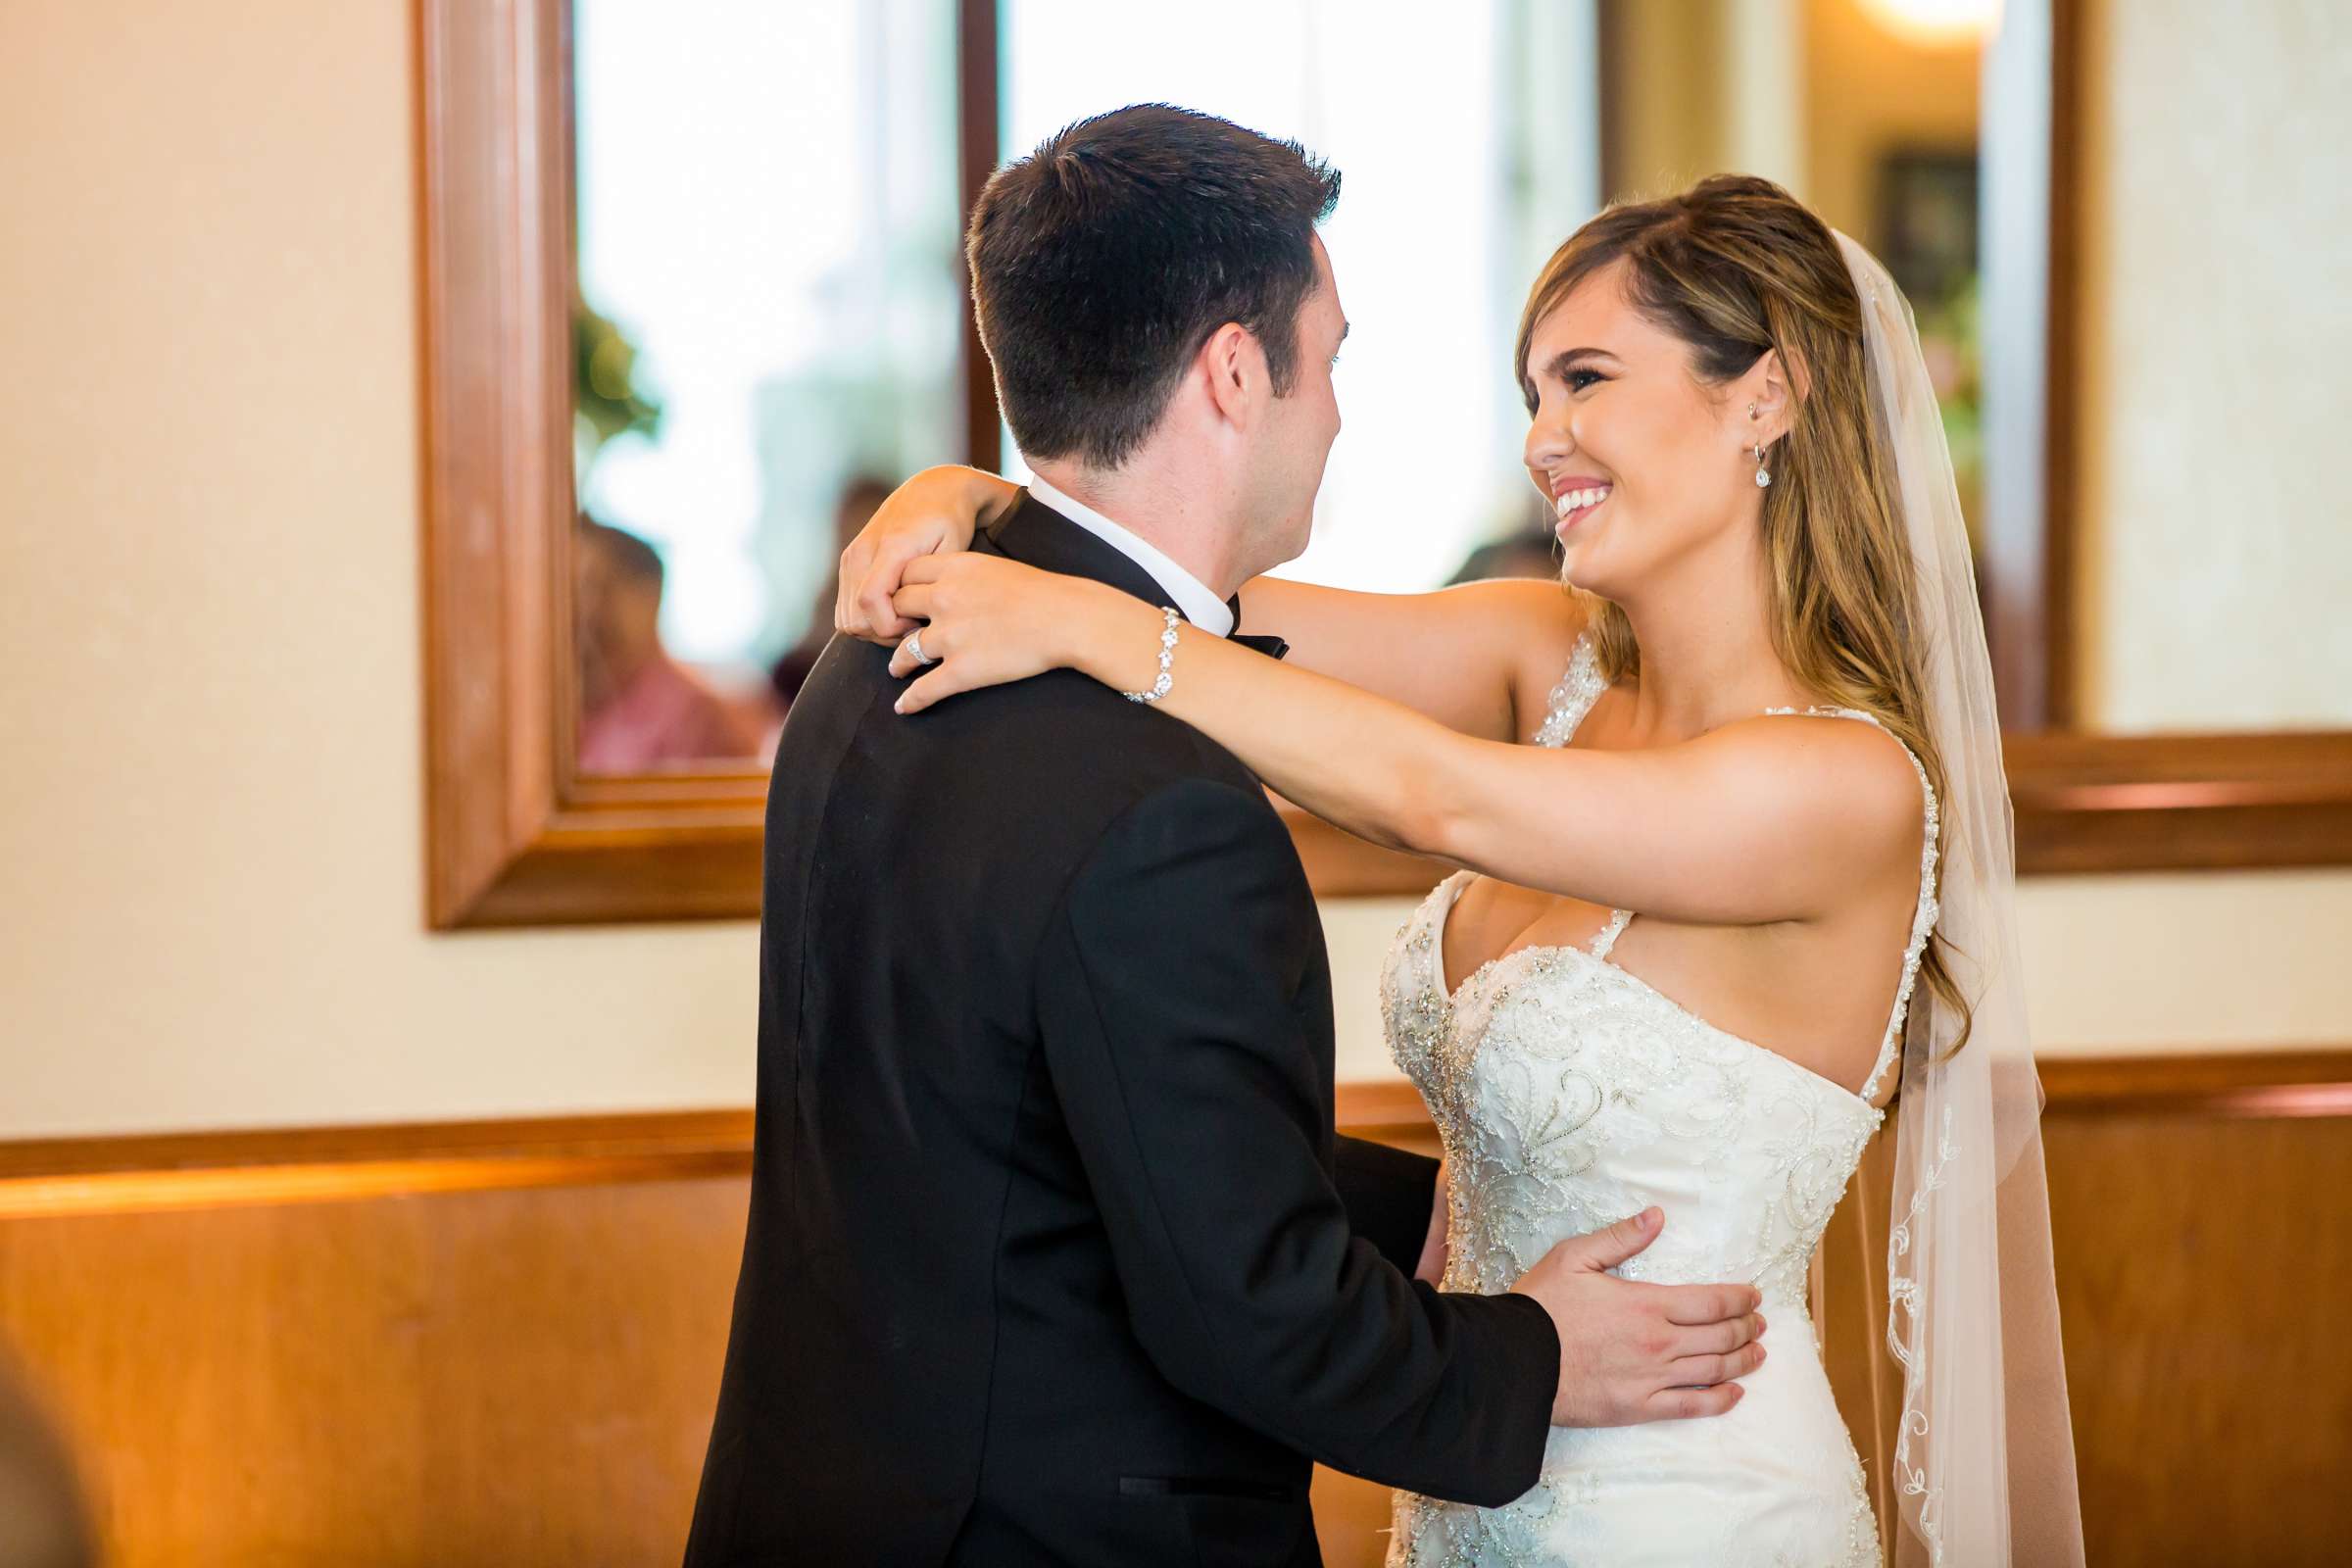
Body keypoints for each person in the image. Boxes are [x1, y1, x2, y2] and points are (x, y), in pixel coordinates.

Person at [839, 172, 2083, 1564]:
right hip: (1477, 1473)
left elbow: (1438, 797)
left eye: (1586, 380)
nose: (1545, 440)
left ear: (1767, 396)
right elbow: (1191, 597)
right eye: (1532, 394)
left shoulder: (1845, 785)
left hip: (1690, 1501)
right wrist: (969, 495)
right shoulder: (1544, 654)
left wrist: (1087, 628)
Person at [682, 108, 1769, 1568]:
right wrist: (1538, 1358)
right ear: (1236, 373)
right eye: (1333, 359)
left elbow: (1049, 1133)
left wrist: (968, 494)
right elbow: (1249, 1313)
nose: (1339, 412)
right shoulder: (1165, 806)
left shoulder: (875, 650)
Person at [573, 516, 756, 769]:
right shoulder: (587, 707)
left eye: (601, 588)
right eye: (579, 591)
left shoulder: (690, 715)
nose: (587, 612)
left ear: (649, 597)